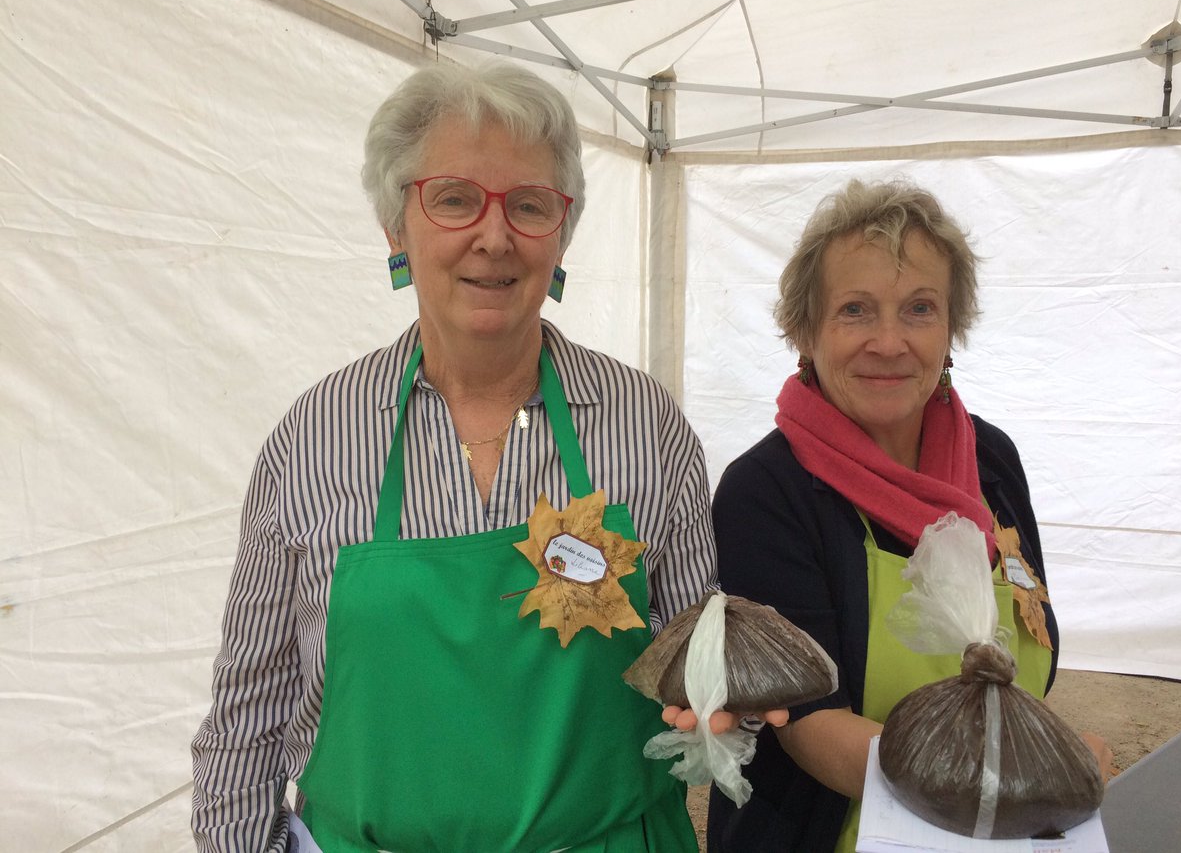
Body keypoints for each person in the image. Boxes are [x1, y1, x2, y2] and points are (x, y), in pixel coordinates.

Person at [191, 60, 721, 853]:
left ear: (563, 234)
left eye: (531, 206)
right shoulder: (312, 438)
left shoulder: (645, 426)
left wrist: (726, 692)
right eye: (454, 198)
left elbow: (699, 671)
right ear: (395, 224)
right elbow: (250, 716)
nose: (495, 236)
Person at [705, 178, 1113, 852]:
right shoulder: (767, 491)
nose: (889, 342)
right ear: (805, 331)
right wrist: (1019, 784)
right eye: (856, 310)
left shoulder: (993, 461)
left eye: (919, 309)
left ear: (952, 329)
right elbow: (808, 725)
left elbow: (1025, 651)